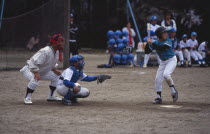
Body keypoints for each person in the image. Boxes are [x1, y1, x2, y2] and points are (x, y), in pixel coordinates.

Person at [20, 34, 64, 104]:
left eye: (63, 41)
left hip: (41, 71)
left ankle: (51, 96)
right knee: (35, 79)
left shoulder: (56, 51)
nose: (63, 43)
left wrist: (54, 70)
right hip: (29, 70)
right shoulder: (45, 51)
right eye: (61, 41)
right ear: (54, 42)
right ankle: (27, 98)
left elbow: (50, 63)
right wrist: (35, 72)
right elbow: (33, 62)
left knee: (56, 76)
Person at [147, 26, 178, 104]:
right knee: (158, 79)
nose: (166, 34)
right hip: (163, 62)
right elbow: (147, 51)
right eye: (164, 33)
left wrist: (152, 42)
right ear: (159, 35)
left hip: (171, 60)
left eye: (166, 32)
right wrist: (148, 43)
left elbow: (162, 47)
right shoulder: (155, 42)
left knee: (166, 75)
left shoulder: (168, 41)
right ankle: (158, 97)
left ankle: (173, 91)